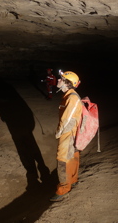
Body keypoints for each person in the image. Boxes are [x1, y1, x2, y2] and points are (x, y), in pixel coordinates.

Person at [50, 70, 82, 201]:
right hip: (70, 132)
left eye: (61, 79)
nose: (58, 80)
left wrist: (59, 132)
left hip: (68, 133)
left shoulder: (72, 98)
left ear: (67, 83)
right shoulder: (68, 96)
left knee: (63, 160)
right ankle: (73, 180)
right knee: (72, 156)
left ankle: (63, 189)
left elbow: (67, 119)